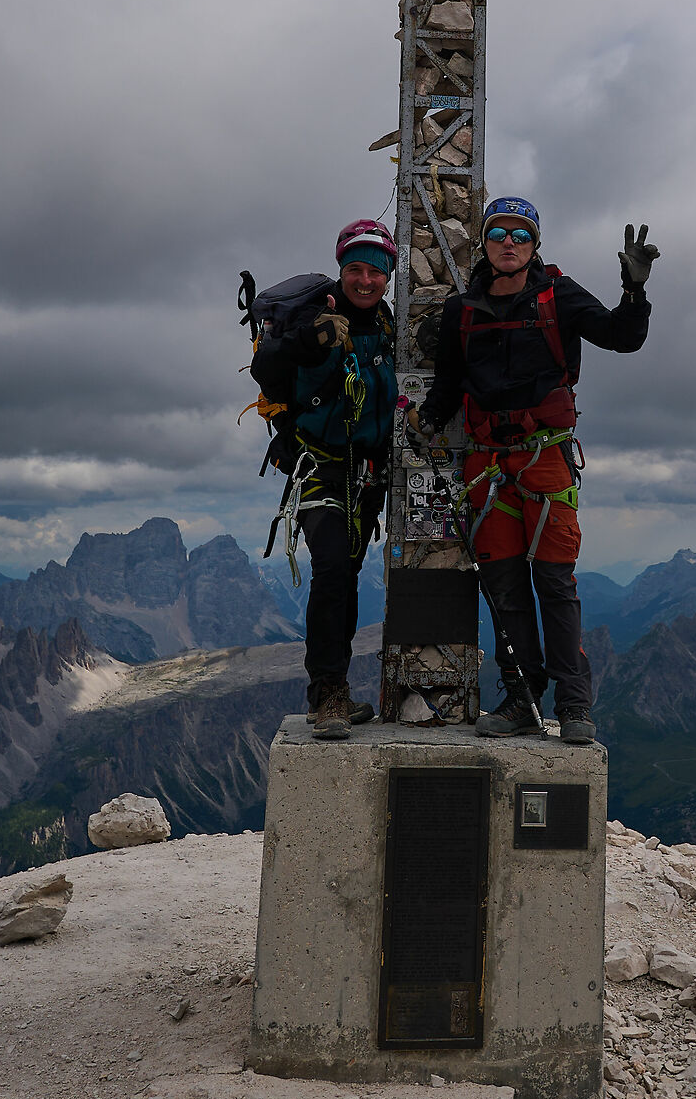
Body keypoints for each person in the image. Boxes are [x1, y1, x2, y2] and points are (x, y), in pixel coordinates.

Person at [414, 196, 656, 743]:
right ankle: (522, 699)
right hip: (488, 464)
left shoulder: (559, 296)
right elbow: (450, 386)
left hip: (544, 458)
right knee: (505, 587)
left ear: (535, 245)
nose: (508, 243)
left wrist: (635, 291)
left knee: (552, 581)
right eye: (498, 232)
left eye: (519, 235)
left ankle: (574, 705)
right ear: (484, 241)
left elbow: (624, 336)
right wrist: (426, 420)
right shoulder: (461, 311)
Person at [252, 218, 398, 740]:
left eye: (375, 272)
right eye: (355, 270)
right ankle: (328, 692)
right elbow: (265, 366)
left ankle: (332, 689)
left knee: (347, 569)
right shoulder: (315, 316)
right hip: (319, 465)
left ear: (388, 277)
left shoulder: (388, 325)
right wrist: (305, 344)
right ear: (341, 270)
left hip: (369, 471)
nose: (365, 281)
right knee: (333, 566)